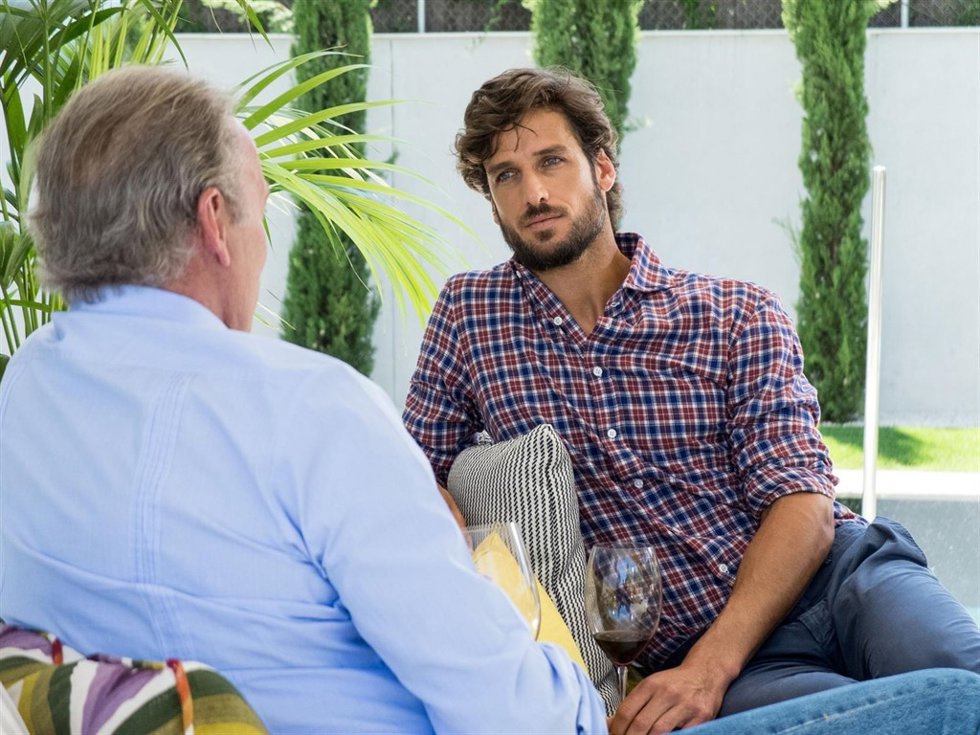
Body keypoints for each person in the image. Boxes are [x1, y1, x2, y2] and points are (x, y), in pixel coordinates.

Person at [0, 65, 607, 734]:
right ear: (214, 222)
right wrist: (578, 693)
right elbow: (517, 715)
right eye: (259, 214)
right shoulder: (313, 412)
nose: (261, 247)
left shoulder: (25, 389)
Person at [402, 66, 980, 734]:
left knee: (962, 685)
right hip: (726, 657)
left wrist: (710, 667)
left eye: (551, 161)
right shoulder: (471, 317)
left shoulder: (735, 312)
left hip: (848, 579)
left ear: (603, 170)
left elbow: (803, 503)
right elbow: (409, 472)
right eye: (506, 175)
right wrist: (469, 575)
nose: (533, 193)